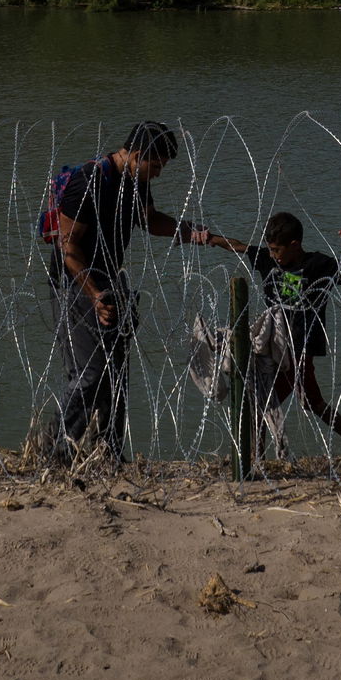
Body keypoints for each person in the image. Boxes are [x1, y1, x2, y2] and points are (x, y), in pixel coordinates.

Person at [53, 121, 212, 462]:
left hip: (111, 281)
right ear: (138, 155)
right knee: (89, 373)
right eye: (156, 166)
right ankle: (62, 451)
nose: (158, 174)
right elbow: (69, 249)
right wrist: (95, 295)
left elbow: (149, 219)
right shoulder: (89, 181)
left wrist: (189, 231)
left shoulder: (133, 181)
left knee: (116, 373)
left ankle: (109, 452)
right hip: (78, 285)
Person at [207, 211, 341, 458]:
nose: (272, 254)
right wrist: (207, 237)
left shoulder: (317, 265)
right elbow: (238, 246)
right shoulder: (268, 260)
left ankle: (254, 459)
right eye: (270, 248)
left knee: (264, 401)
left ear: (295, 245)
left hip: (299, 348)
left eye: (277, 249)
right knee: (311, 402)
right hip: (273, 346)